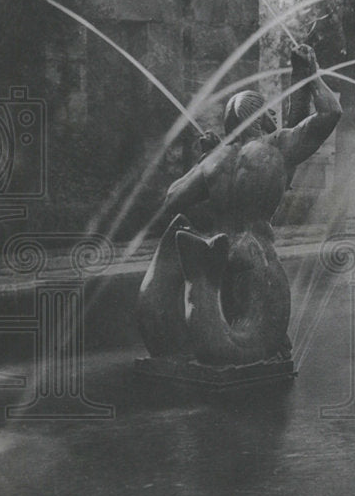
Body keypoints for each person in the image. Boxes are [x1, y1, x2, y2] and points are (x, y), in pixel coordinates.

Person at [137, 45, 342, 364]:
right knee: (255, 345)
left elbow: (172, 198)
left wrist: (206, 158)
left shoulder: (215, 160)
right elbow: (331, 112)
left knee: (233, 341)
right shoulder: (275, 148)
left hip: (220, 258)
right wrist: (313, 73)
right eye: (269, 113)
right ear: (259, 117)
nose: (275, 117)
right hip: (256, 256)